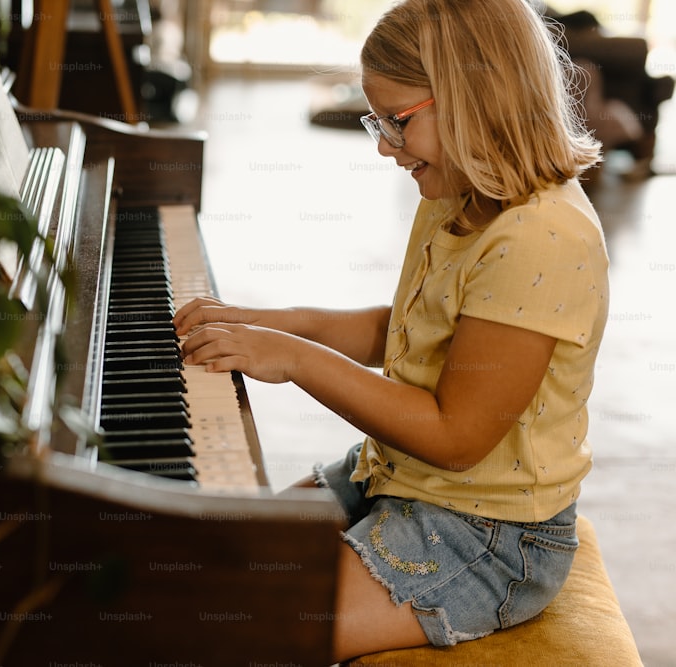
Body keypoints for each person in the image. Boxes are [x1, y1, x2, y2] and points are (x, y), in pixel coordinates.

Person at [174, 0, 609, 661]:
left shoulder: (540, 238)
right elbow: (404, 328)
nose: (382, 144)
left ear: (475, 98)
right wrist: (266, 322)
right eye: (376, 119)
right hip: (393, 475)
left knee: (250, 623)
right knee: (214, 555)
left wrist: (294, 358)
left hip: (489, 534)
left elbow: (455, 435)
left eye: (396, 121)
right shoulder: (461, 192)